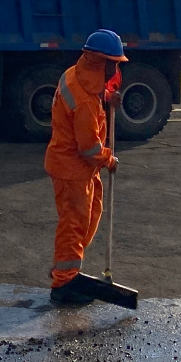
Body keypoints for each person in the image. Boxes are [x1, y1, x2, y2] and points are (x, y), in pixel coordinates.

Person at [45, 29, 125, 306]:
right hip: (72, 169)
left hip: (79, 169)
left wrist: (106, 98)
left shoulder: (78, 76)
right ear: (98, 62)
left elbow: (92, 97)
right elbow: (88, 147)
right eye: (112, 63)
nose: (115, 68)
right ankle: (64, 282)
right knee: (74, 224)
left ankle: (66, 269)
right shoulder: (83, 101)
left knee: (91, 214)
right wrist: (109, 160)